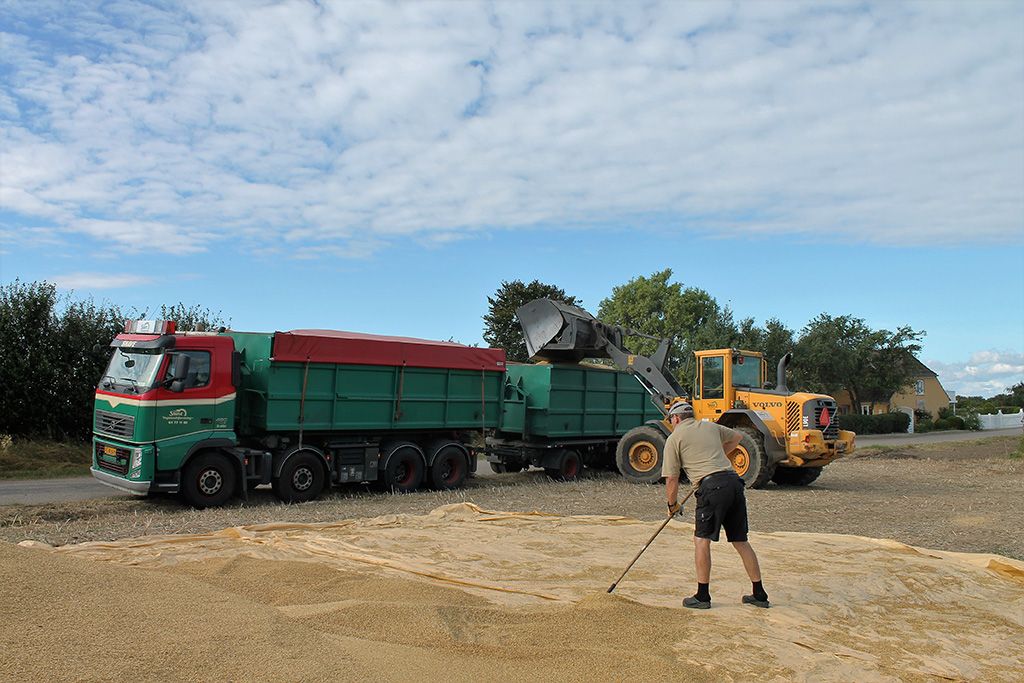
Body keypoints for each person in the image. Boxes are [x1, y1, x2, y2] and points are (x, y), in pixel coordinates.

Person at [662, 401, 770, 609]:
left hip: (712, 488)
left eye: (671, 420)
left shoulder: (675, 438)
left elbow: (671, 479)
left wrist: (672, 505)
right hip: (734, 482)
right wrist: (718, 457)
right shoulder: (710, 426)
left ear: (676, 418)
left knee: (701, 540)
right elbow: (737, 437)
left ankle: (702, 596)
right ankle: (759, 594)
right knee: (740, 541)